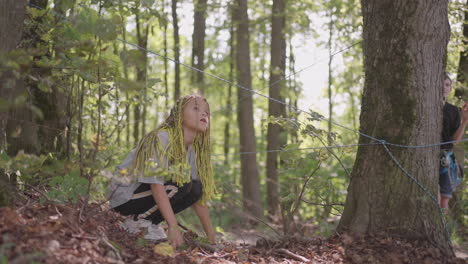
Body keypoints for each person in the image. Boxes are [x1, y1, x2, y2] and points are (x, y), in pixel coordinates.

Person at [109, 94, 216, 248]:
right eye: (196, 108)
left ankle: (148, 222)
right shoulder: (161, 138)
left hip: (142, 196)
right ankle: (134, 221)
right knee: (182, 182)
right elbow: (155, 184)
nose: (204, 113)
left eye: (207, 111)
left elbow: (198, 199)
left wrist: (211, 237)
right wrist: (172, 226)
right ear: (179, 115)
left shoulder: (191, 150)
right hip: (123, 198)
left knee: (196, 188)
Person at [439, 74, 468, 209]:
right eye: (441, 84)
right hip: (429, 153)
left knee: (444, 199)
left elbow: (455, 141)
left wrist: (465, 121)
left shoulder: (453, 111)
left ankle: (442, 228)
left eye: (447, 84)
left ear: (450, 88)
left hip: (447, 156)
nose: (444, 87)